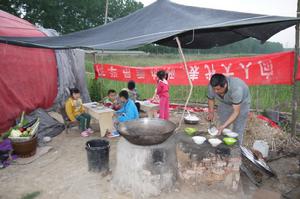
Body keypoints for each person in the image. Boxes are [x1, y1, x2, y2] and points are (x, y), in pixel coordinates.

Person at [207, 74, 251, 144]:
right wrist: (211, 112)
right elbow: (211, 99)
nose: (215, 91)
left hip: (242, 103)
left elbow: (236, 112)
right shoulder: (212, 86)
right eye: (214, 89)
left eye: (218, 89)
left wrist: (223, 126)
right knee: (223, 125)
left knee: (237, 129)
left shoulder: (236, 89)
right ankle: (223, 147)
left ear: (225, 85)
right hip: (225, 102)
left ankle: (236, 149)